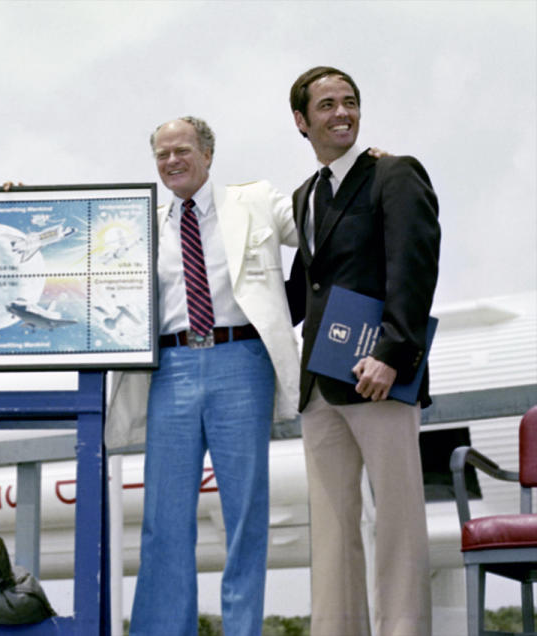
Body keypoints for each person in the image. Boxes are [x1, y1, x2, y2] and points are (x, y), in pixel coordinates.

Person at [109, 116, 300, 636]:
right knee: (163, 520)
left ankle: (243, 631)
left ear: (209, 154)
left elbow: (319, 223)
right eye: (162, 155)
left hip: (241, 362)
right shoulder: (139, 223)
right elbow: (76, 257)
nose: (172, 162)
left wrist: (356, 171)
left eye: (182, 151)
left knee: (245, 514)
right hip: (169, 369)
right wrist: (24, 201)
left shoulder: (255, 200)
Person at [288, 66, 440, 636]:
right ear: (302, 121)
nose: (342, 113)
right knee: (330, 530)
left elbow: (415, 265)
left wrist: (395, 353)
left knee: (399, 524)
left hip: (380, 375)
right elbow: (304, 288)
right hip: (320, 383)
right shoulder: (306, 195)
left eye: (349, 102)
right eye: (326, 105)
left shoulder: (394, 174)